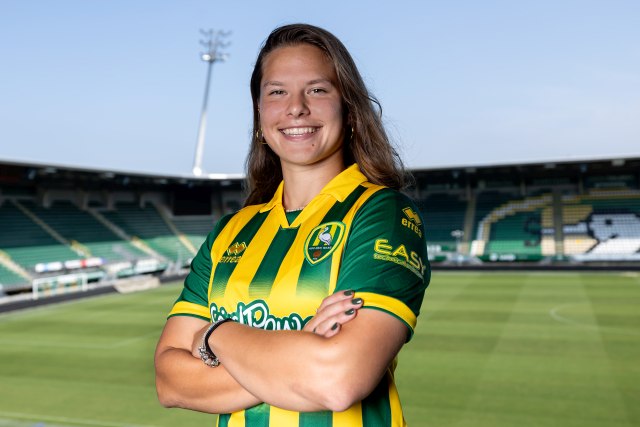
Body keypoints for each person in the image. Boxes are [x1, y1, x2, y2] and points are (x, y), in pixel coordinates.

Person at [155, 23, 430, 427]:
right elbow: (169, 382)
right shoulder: (230, 232)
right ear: (259, 114)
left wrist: (215, 335)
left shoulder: (382, 214)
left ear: (350, 110)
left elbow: (337, 381)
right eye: (277, 92)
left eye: (317, 90)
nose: (296, 107)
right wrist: (300, 351)